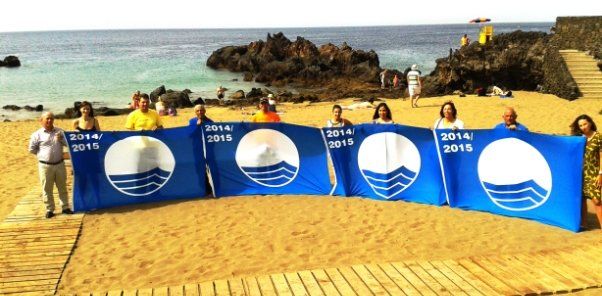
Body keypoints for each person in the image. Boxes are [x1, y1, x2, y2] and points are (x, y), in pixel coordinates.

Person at [29, 112, 73, 218]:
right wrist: (43, 156)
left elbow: (69, 144)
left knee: (62, 187)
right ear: (41, 120)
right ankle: (49, 209)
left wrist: (62, 139)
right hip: (45, 166)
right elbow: (32, 149)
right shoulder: (37, 134)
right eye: (47, 118)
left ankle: (65, 207)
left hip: (59, 164)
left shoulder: (60, 131)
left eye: (52, 118)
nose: (50, 120)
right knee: (47, 189)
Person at [570, 115, 602, 229]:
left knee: (597, 201)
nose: (583, 127)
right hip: (581, 174)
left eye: (585, 124)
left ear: (590, 123)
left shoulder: (598, 137)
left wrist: (600, 174)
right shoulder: (580, 139)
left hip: (594, 173)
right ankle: (584, 224)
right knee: (582, 199)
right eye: (580, 125)